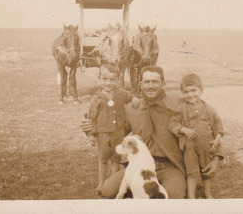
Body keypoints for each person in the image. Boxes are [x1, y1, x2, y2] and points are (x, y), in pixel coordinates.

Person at [82, 66, 222, 198]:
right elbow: (116, 132)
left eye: (155, 82)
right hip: (140, 164)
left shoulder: (178, 104)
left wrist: (216, 157)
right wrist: (91, 129)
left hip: (171, 166)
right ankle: (142, 189)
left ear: (163, 83)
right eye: (147, 82)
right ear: (141, 84)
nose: (150, 86)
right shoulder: (132, 108)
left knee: (174, 195)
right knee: (108, 190)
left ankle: (149, 189)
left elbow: (206, 127)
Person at [84, 63, 139, 194]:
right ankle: (101, 182)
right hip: (102, 134)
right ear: (99, 78)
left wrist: (135, 98)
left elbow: (130, 97)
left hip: (118, 133)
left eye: (112, 80)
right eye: (105, 79)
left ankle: (112, 183)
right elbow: (91, 118)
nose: (108, 83)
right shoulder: (97, 98)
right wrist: (91, 135)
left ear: (118, 80)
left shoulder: (121, 93)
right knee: (103, 159)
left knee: (116, 158)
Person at [168, 74, 224, 199]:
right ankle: (191, 196)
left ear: (201, 90)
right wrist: (184, 129)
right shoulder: (181, 108)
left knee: (206, 171)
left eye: (194, 90)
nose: (190, 94)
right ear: (182, 93)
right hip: (190, 146)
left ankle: (208, 192)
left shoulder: (209, 108)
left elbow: (218, 126)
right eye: (186, 92)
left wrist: (217, 139)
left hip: (207, 145)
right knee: (192, 172)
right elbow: (172, 123)